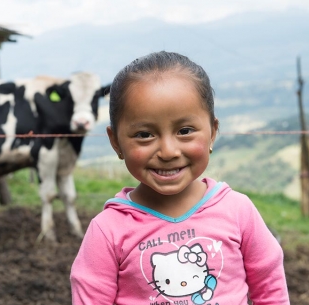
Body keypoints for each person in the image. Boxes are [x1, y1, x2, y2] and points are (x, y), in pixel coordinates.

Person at [70, 51, 289, 305]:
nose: (168, 152)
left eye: (185, 131)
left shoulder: (239, 212)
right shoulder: (108, 231)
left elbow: (271, 290)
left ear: (212, 133)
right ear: (116, 141)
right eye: (144, 134)